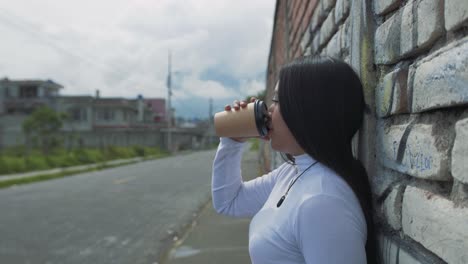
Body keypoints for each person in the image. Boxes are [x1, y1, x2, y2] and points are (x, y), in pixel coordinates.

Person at [211, 56, 378, 263]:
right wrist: (232, 141)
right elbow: (229, 202)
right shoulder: (294, 171)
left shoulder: (322, 202)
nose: (269, 110)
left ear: (308, 111)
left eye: (277, 101)